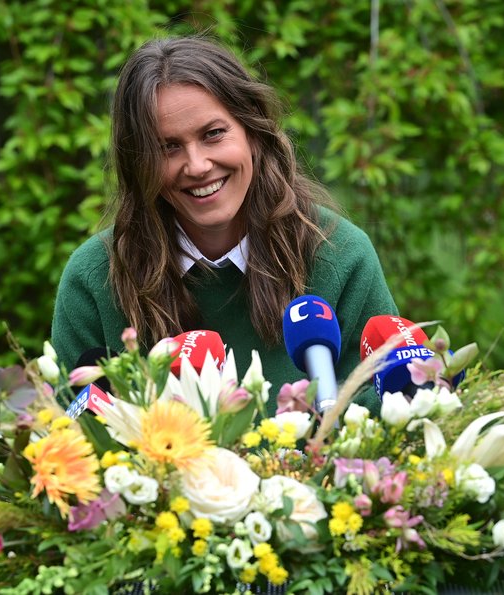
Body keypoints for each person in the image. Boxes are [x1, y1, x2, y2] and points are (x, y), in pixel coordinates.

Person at [50, 35, 398, 414]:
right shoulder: (94, 280)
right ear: (139, 163)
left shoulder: (339, 254)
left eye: (213, 134)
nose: (197, 166)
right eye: (168, 147)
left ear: (253, 131)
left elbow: (389, 422)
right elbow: (76, 447)